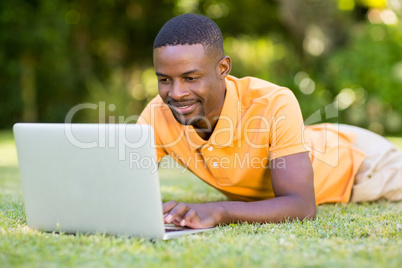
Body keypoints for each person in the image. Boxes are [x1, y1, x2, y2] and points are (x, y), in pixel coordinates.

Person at [137, 14, 402, 229]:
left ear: (223, 69)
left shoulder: (273, 102)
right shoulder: (157, 115)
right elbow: (124, 188)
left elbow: (301, 207)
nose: (176, 93)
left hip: (362, 165)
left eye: (190, 78)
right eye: (165, 79)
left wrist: (217, 210)